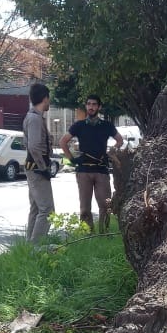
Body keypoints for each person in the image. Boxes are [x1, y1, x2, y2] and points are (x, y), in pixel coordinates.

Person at [59, 95, 124, 232]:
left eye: (94, 104)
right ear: (86, 106)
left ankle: (103, 233)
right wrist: (72, 159)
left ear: (99, 107)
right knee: (84, 208)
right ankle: (87, 233)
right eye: (89, 104)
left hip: (101, 170)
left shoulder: (107, 126)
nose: (91, 107)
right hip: (83, 171)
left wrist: (111, 151)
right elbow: (63, 142)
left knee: (105, 205)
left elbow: (120, 140)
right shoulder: (79, 125)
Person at [23, 82, 54, 242]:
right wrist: (43, 168)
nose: (49, 102)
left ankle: (30, 247)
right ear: (44, 98)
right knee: (47, 210)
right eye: (49, 99)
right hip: (37, 170)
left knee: (36, 209)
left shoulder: (33, 117)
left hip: (33, 169)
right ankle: (36, 248)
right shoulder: (34, 118)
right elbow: (34, 147)